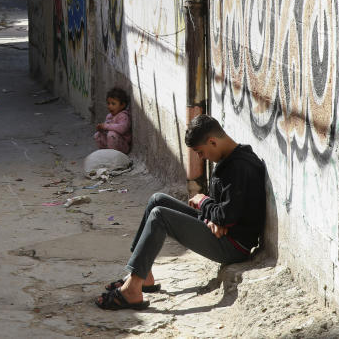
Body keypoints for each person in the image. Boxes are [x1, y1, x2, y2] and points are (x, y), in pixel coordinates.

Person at [95, 114, 266, 310]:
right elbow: (224, 210)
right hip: (220, 229)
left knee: (160, 216)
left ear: (212, 141)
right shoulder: (229, 159)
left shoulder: (240, 167)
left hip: (233, 245)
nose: (201, 158)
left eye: (200, 152)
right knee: (157, 200)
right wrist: (213, 214)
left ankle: (132, 290)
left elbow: (226, 216)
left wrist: (204, 203)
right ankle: (144, 274)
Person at [94, 88, 132, 154]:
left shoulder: (123, 116)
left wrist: (105, 126)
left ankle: (113, 155)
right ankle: (106, 153)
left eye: (113, 104)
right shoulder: (109, 116)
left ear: (122, 105)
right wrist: (101, 129)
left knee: (112, 135)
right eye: (108, 103)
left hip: (122, 146)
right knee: (98, 135)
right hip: (111, 144)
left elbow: (122, 129)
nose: (109, 106)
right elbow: (107, 129)